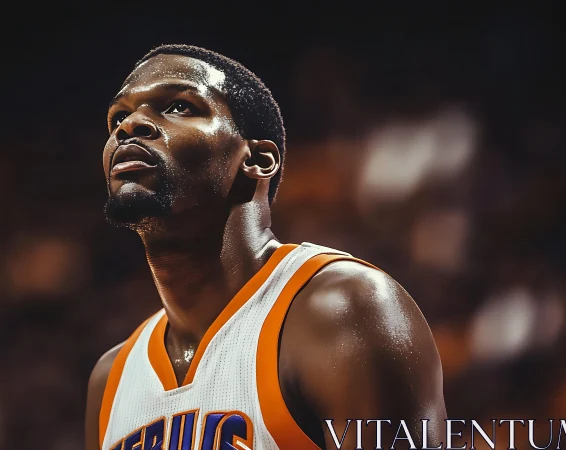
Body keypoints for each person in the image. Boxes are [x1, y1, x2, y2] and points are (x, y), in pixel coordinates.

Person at [85, 44, 446, 450]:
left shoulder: (343, 309)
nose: (131, 125)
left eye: (179, 107)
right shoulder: (111, 379)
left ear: (257, 160)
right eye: (119, 115)